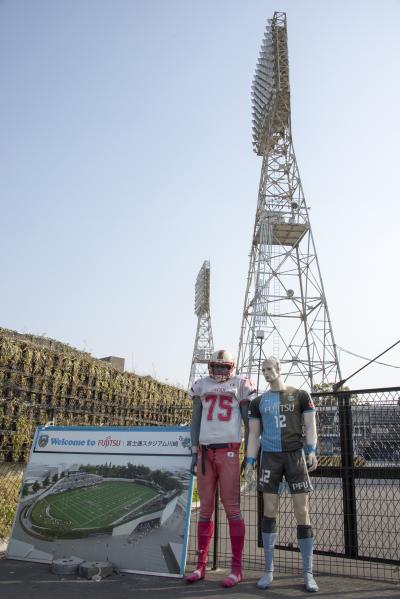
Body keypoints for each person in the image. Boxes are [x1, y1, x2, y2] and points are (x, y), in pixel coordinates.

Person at [244, 356, 319, 593]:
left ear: (278, 369)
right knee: (269, 511)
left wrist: (312, 450)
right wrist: (250, 461)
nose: (266, 373)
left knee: (302, 511)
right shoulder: (258, 402)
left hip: (295, 456)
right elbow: (254, 435)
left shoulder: (300, 395)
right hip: (270, 458)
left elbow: (310, 426)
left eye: (269, 369)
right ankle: (268, 570)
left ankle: (308, 572)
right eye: (263, 370)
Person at [186, 349, 256, 587]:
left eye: (224, 367)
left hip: (228, 451)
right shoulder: (201, 385)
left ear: (231, 367)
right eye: (216, 366)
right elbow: (196, 420)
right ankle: (201, 566)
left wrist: (251, 453)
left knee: (232, 507)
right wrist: (194, 451)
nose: (219, 371)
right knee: (205, 509)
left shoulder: (240, 384)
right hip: (206, 451)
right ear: (210, 366)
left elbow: (248, 421)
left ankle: (237, 569)